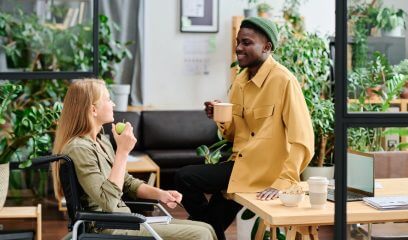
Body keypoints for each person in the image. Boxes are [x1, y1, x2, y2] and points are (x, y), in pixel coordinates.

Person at [175, 17, 314, 240]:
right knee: (211, 224)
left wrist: (283, 182)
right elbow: (233, 135)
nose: (238, 48)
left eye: (247, 43)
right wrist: (221, 118)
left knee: (184, 177)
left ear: (267, 47)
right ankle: (206, 231)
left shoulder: (284, 81)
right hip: (240, 167)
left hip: (266, 173)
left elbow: (303, 140)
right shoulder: (240, 81)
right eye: (238, 42)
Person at [52, 79, 217, 240]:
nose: (113, 104)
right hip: (109, 227)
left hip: (126, 220)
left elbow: (126, 182)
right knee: (201, 234)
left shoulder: (101, 140)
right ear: (93, 110)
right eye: (108, 99)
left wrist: (161, 194)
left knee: (207, 227)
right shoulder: (79, 148)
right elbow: (108, 202)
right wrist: (122, 152)